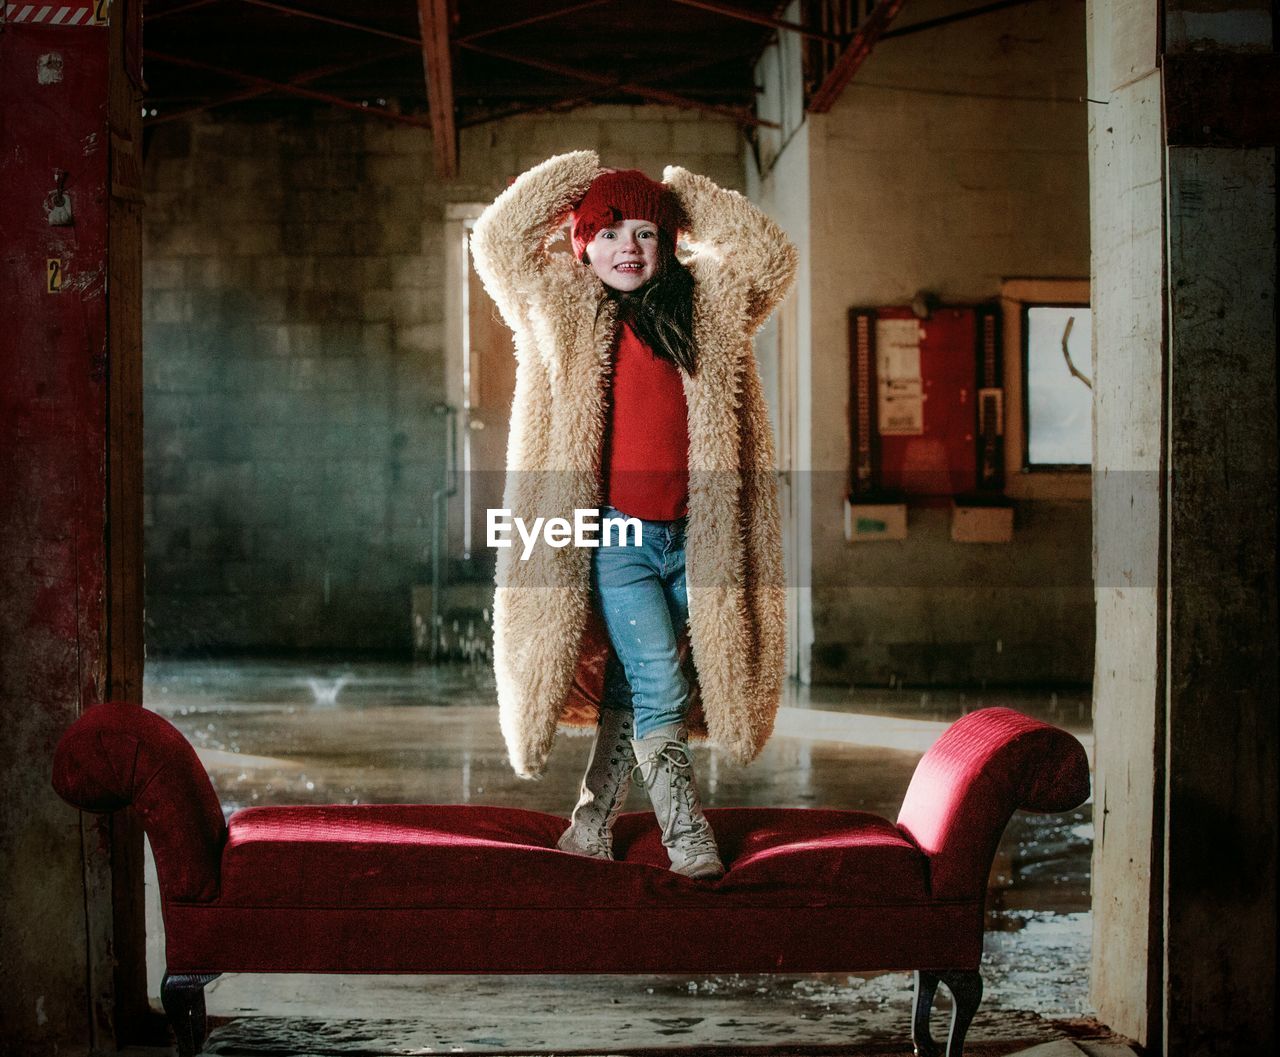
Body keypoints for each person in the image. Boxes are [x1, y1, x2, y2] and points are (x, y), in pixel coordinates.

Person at [470, 151, 796, 879]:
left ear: (670, 243)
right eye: (610, 232)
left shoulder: (706, 309)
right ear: (582, 242)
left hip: (700, 541)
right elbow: (495, 241)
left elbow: (771, 257)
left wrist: (680, 196)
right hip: (616, 541)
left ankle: (590, 823)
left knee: (631, 682)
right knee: (660, 683)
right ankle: (687, 835)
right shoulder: (560, 313)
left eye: (647, 233)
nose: (629, 247)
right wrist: (578, 181)